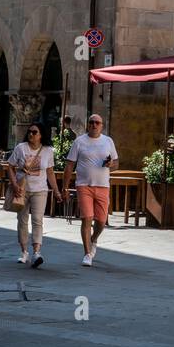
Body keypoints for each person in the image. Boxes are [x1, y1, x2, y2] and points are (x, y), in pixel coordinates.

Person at [63, 113, 118, 267]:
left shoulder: (108, 141)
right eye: (92, 122)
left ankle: (94, 239)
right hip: (83, 185)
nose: (94, 125)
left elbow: (117, 163)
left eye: (97, 122)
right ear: (88, 124)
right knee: (87, 218)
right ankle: (87, 254)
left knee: (101, 221)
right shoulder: (79, 142)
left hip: (103, 186)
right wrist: (65, 187)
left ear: (102, 125)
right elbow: (69, 165)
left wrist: (110, 164)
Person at [7, 122, 59, 268]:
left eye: (34, 132)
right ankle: (24, 252)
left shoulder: (48, 151)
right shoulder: (20, 148)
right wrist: (15, 185)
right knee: (22, 220)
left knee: (37, 220)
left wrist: (56, 190)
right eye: (30, 132)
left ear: (41, 135)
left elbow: (50, 172)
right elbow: (10, 166)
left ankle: (37, 252)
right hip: (22, 190)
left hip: (40, 190)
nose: (31, 134)